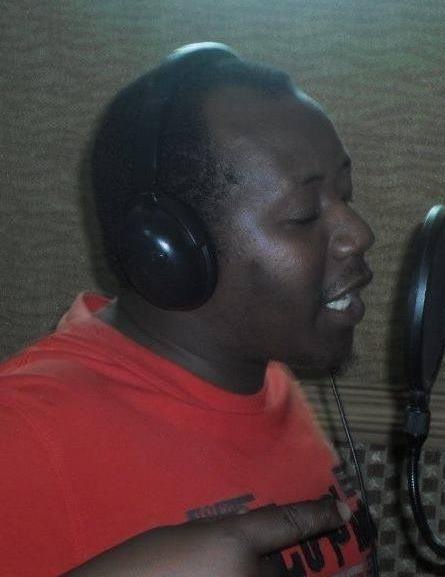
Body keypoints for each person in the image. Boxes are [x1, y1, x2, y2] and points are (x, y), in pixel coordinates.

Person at [0, 43, 376, 577]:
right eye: (302, 215)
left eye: (347, 195)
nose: (359, 234)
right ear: (169, 251)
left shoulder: (265, 375)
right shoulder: (22, 434)